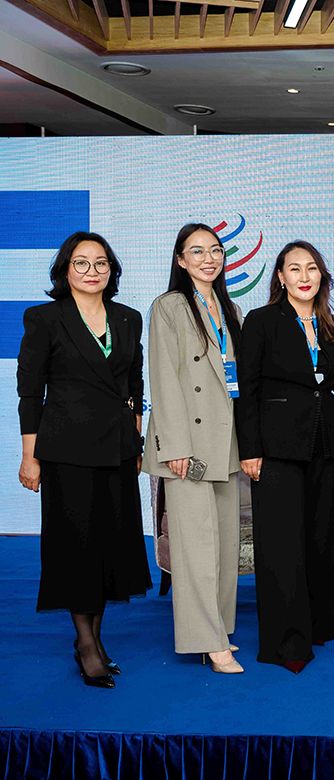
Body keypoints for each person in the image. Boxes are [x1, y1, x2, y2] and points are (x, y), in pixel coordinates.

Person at [17, 232, 152, 689]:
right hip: (66, 450)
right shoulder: (44, 318)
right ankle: (86, 644)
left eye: (101, 263)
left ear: (112, 270)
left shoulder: (128, 318)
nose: (92, 271)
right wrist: (30, 456)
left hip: (117, 449)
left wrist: (136, 442)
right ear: (65, 269)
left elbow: (134, 384)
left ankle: (94, 636)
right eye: (81, 262)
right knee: (77, 545)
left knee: (109, 544)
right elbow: (30, 393)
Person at [236, 241, 334, 673]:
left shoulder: (333, 324)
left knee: (323, 539)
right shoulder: (262, 321)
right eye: (295, 268)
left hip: (325, 444)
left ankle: (318, 625)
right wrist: (250, 449)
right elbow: (246, 389)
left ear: (322, 276)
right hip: (276, 448)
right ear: (280, 277)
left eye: (312, 268)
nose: (305, 276)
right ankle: (287, 643)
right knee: (282, 545)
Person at [142, 223, 245, 674]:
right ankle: (206, 640)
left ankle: (218, 627)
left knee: (224, 543)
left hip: (226, 441)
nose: (209, 259)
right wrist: (175, 446)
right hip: (187, 446)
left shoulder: (231, 307)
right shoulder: (168, 306)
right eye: (197, 251)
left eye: (216, 250)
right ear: (181, 260)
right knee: (196, 547)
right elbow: (163, 379)